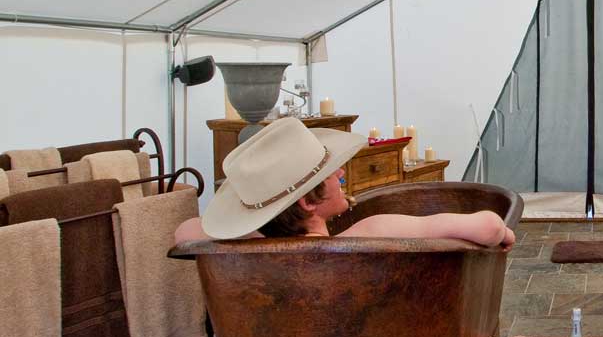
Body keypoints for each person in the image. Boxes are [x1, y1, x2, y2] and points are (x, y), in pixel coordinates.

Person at [174, 116, 515, 247]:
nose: (340, 174)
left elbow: (185, 231)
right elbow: (487, 227)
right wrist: (506, 230)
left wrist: (256, 229)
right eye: (330, 174)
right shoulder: (367, 234)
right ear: (308, 202)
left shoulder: (251, 252)